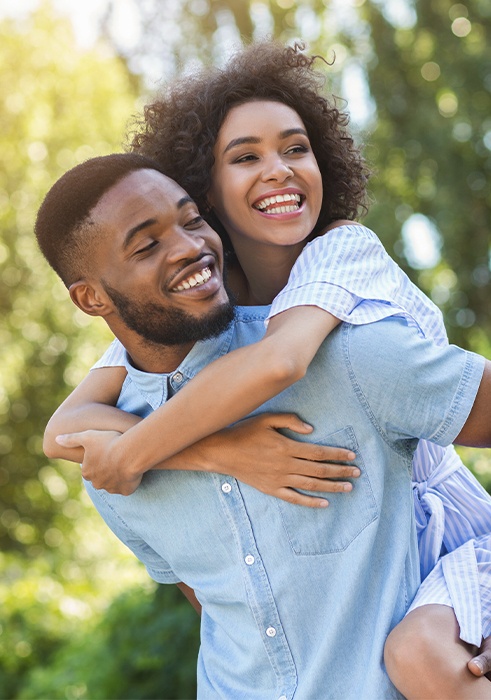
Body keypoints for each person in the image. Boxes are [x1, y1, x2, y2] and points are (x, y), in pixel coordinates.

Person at [44, 41, 491, 696]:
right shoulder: (180, 313)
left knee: (422, 654)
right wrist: (212, 452)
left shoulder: (340, 263)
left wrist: (137, 451)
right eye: (245, 157)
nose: (279, 170)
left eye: (295, 148)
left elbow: (280, 361)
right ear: (204, 186)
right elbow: (65, 432)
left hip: (445, 539)